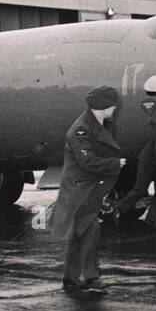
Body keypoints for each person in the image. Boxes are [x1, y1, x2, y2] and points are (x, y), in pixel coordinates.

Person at [49, 86, 125, 289]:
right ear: (103, 106)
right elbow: (87, 162)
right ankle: (85, 277)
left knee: (84, 232)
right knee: (88, 231)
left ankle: (75, 277)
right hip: (79, 190)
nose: (115, 109)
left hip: (89, 188)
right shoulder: (80, 129)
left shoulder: (100, 124)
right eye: (112, 105)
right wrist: (116, 164)